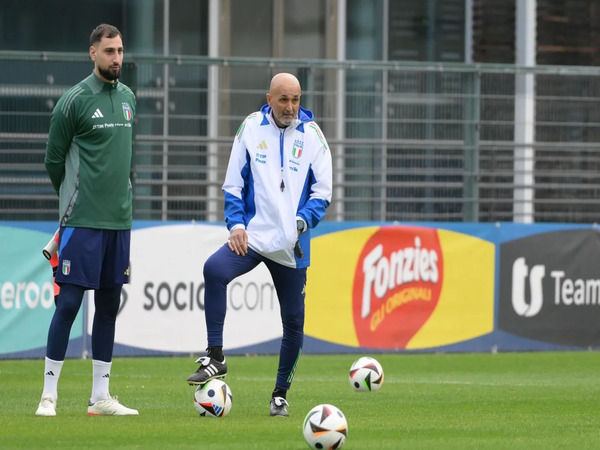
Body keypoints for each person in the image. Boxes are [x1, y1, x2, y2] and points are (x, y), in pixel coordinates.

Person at [186, 73, 333, 417]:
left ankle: (280, 394)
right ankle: (216, 355)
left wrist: (301, 223)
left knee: (294, 323)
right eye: (283, 99)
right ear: (269, 98)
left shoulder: (312, 135)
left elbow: (323, 192)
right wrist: (236, 225)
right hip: (253, 237)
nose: (290, 107)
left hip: (290, 245)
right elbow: (233, 184)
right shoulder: (250, 127)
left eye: (296, 100)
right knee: (214, 269)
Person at [35, 23, 138, 417]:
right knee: (69, 305)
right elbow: (53, 159)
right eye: (109, 51)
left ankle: (100, 398)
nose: (117, 58)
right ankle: (49, 395)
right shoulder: (74, 100)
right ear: (92, 53)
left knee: (109, 305)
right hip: (81, 221)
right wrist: (71, 200)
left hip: (119, 221)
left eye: (120, 50)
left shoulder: (129, 97)